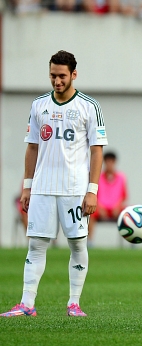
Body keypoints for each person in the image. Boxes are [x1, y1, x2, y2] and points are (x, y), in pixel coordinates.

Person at [0, 50, 107, 318]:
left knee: (78, 245)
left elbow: (96, 150)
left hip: (74, 189)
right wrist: (27, 186)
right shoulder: (39, 105)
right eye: (52, 75)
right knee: (36, 245)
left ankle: (74, 303)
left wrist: (92, 190)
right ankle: (27, 304)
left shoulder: (89, 107)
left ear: (73, 75)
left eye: (62, 76)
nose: (57, 81)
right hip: (43, 188)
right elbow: (32, 147)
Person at [88, 151, 128, 244]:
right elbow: (94, 195)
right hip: (100, 208)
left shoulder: (121, 177)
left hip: (116, 208)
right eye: (107, 161)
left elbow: (124, 196)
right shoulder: (98, 177)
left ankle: (130, 239)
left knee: (129, 213)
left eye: (112, 161)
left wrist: (118, 206)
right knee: (91, 213)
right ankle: (90, 241)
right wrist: (99, 207)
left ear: (115, 162)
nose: (109, 164)